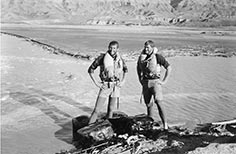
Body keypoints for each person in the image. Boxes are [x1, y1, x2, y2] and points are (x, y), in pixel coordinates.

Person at [88, 41, 128, 124]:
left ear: (117, 49)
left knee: (111, 109)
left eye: (114, 48)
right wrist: (96, 83)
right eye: (110, 48)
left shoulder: (120, 59)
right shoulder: (102, 57)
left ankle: (108, 126)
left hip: (116, 86)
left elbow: (125, 70)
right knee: (96, 110)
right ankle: (88, 128)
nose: (111, 50)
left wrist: (123, 80)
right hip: (106, 85)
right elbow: (90, 70)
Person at [137, 40, 172, 130]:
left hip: (156, 82)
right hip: (145, 82)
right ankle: (150, 124)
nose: (146, 49)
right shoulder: (142, 58)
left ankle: (165, 124)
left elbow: (169, 68)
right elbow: (138, 69)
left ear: (152, 48)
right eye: (145, 47)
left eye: (148, 47)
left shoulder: (158, 57)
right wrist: (140, 80)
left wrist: (164, 81)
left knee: (159, 101)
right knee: (148, 104)